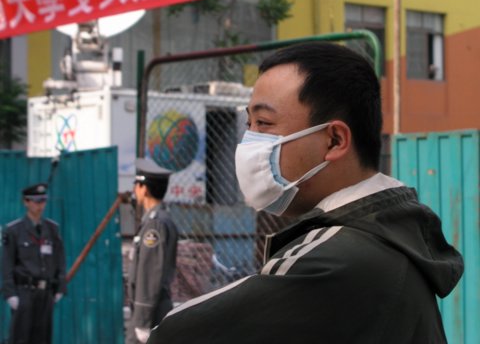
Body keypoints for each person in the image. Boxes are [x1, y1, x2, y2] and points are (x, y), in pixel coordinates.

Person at [147, 42, 464, 344]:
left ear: (335, 140)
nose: (248, 141)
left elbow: (172, 334)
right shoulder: (391, 236)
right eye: (249, 123)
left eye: (264, 123)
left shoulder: (335, 259)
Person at [2, 183, 66, 344]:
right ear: (26, 202)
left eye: (43, 201)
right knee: (21, 338)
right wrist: (10, 294)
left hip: (45, 293)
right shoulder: (13, 230)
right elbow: (6, 264)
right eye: (36, 201)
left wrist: (60, 287)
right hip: (24, 293)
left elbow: (59, 259)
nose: (40, 205)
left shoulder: (52, 229)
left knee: (43, 338)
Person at [127, 158, 178, 344]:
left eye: (136, 185)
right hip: (152, 310)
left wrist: (142, 321)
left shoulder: (154, 225)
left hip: (151, 312)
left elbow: (149, 274)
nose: (134, 189)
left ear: (144, 189)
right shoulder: (156, 220)